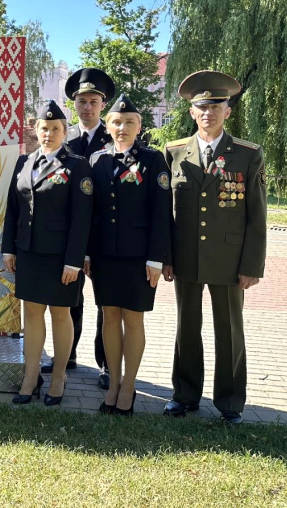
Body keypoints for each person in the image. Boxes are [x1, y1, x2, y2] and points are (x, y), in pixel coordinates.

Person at [163, 70, 267, 424]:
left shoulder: (247, 154)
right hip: (186, 256)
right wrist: (166, 257)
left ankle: (230, 402)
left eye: (216, 106)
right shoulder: (174, 152)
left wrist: (251, 266)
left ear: (228, 112)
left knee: (229, 330)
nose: (208, 112)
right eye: (202, 107)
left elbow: (257, 215)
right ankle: (185, 395)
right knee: (186, 328)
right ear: (192, 112)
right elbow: (166, 213)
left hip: (229, 259)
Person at [2, 100, 93, 406]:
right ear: (36, 130)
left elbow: (82, 218)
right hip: (28, 251)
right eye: (44, 128)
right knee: (31, 313)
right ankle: (31, 376)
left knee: (59, 313)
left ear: (65, 132)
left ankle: (58, 377)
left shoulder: (77, 165)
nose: (49, 133)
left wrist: (74, 261)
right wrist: (9, 248)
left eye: (55, 129)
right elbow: (13, 209)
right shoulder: (24, 162)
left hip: (59, 256)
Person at [86, 95, 172, 415]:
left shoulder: (152, 160)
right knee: (109, 316)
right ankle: (114, 383)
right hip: (104, 255)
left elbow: (161, 212)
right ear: (108, 126)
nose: (122, 127)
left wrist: (156, 258)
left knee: (133, 320)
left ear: (139, 126)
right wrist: (87, 254)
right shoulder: (97, 160)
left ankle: (129, 387)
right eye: (117, 122)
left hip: (139, 258)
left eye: (129, 122)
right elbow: (90, 212)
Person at [57, 66, 117, 390]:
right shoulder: (64, 142)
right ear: (74, 104)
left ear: (103, 105)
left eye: (94, 101)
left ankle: (107, 363)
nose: (88, 107)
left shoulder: (116, 139)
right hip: (71, 236)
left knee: (106, 302)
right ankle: (67, 355)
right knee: (70, 297)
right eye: (82, 101)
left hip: (106, 236)